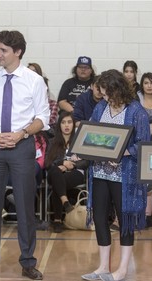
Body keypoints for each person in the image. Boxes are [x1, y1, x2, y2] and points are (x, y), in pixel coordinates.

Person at [0, 30, 49, 280]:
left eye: (3, 50)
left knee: (25, 207)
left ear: (17, 52)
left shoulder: (34, 80)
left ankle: (28, 262)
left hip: (22, 147)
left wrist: (21, 133)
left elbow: (43, 118)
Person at [81, 69, 150, 281]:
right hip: (100, 172)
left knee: (125, 219)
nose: (104, 97)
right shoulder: (101, 106)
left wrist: (122, 153)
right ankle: (103, 266)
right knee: (100, 218)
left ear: (117, 89)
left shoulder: (136, 110)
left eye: (107, 92)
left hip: (125, 174)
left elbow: (144, 144)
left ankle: (121, 269)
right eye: (102, 93)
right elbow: (91, 133)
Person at [45, 111, 89, 233]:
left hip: (75, 173)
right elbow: (47, 163)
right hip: (56, 173)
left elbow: (86, 162)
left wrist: (71, 166)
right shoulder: (53, 142)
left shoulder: (80, 142)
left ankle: (58, 220)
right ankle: (66, 203)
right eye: (63, 122)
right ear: (59, 125)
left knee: (57, 183)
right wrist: (62, 163)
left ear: (74, 124)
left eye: (69, 122)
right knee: (55, 173)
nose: (66, 125)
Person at [136, 72, 152, 228]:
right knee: (144, 180)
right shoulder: (136, 101)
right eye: (146, 83)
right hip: (142, 145)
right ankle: (143, 215)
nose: (149, 86)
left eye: (151, 83)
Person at [27, 62, 58, 135]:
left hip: (43, 131)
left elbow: (50, 120)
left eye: (34, 71)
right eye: (29, 71)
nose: (31, 73)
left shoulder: (50, 100)